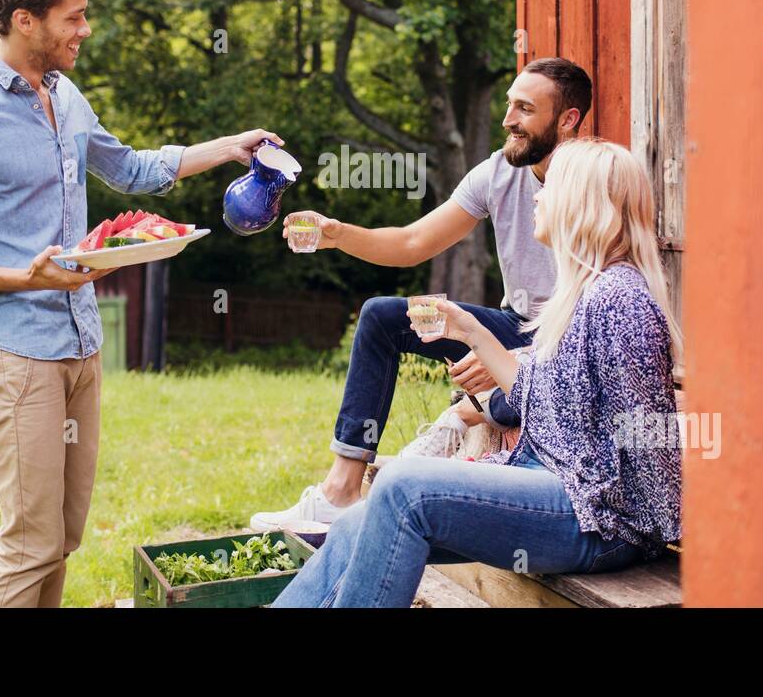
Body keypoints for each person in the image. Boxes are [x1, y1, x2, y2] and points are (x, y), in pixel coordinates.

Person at [0, 0, 283, 607]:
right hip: (15, 352)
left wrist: (227, 148)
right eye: (73, 15)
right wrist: (23, 277)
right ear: (24, 20)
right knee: (28, 542)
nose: (85, 27)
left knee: (62, 536)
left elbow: (128, 167)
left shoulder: (64, 97)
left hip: (79, 345)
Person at [271, 139, 683, 607]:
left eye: (551, 187)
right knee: (354, 522)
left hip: (597, 521)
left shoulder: (620, 299)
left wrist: (642, 527)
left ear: (581, 202)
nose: (537, 195)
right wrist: (469, 329)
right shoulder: (587, 292)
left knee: (403, 488)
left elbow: (651, 443)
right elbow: (542, 399)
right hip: (562, 492)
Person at [250, 57, 593, 532]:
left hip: (567, 343)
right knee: (381, 317)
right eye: (509, 104)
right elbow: (413, 243)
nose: (508, 119)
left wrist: (516, 357)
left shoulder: (595, 183)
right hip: (516, 323)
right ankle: (340, 492)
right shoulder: (496, 173)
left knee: (508, 395)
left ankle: (459, 430)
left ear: (568, 119)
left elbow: (602, 319)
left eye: (525, 109)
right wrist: (338, 233)